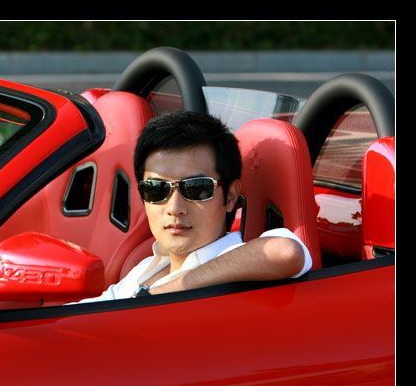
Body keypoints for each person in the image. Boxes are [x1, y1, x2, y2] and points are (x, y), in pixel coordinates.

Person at [79, 111, 311, 303]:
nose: (174, 207)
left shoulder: (238, 268)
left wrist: (166, 292)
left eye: (196, 188)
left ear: (231, 196)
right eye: (156, 189)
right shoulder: (146, 267)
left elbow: (286, 252)